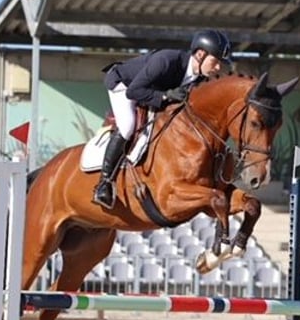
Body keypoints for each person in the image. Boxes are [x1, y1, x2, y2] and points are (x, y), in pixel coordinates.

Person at [92, 29, 233, 209]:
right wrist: (166, 96)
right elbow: (133, 92)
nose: (218, 68)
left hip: (149, 92)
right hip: (124, 84)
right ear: (200, 54)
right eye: (215, 61)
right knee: (127, 126)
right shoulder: (166, 61)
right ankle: (104, 183)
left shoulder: (198, 79)